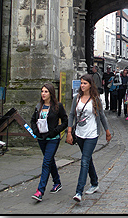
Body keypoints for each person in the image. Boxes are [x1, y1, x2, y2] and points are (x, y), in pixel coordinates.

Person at [67, 74, 112, 202]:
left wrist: (107, 132)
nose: (82, 85)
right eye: (81, 83)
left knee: (84, 160)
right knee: (88, 159)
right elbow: (71, 115)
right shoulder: (76, 98)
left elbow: (102, 116)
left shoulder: (95, 99)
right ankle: (95, 182)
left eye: (85, 83)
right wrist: (69, 132)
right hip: (79, 134)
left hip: (92, 134)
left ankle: (79, 192)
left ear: (90, 85)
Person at [30, 83, 68, 202]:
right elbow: (32, 120)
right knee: (50, 161)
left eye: (46, 91)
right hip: (41, 138)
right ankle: (57, 182)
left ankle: (40, 191)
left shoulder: (57, 106)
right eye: (42, 91)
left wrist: (55, 131)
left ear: (51, 93)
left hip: (53, 139)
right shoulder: (38, 107)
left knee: (46, 162)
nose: (43, 94)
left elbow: (65, 121)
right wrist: (35, 131)